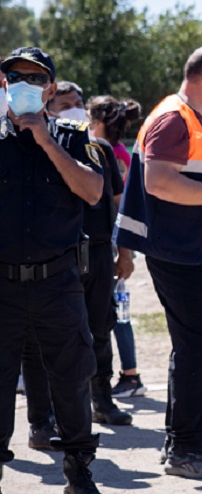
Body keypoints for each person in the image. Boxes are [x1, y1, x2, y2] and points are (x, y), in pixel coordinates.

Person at [113, 45, 202, 479]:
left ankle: (186, 437)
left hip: (201, 251)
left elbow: (198, 177)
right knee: (196, 349)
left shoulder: (200, 119)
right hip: (183, 254)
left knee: (195, 349)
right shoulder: (174, 117)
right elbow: (157, 181)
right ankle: (185, 448)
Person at [0, 48, 104, 493]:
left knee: (72, 379)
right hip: (1, 286)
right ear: (4, 84)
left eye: (34, 77)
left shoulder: (74, 134)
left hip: (58, 283)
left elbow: (94, 190)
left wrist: (46, 140)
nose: (23, 82)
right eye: (14, 75)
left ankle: (78, 469)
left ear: (50, 89)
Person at [21, 83, 133, 456]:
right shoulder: (36, 147)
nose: (74, 110)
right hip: (59, 256)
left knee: (100, 330)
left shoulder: (97, 149)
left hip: (99, 252)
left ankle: (101, 400)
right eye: (64, 104)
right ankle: (42, 419)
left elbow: (116, 203)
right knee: (40, 344)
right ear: (47, 107)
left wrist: (125, 252)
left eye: (79, 103)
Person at [87, 95, 146, 399]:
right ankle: (128, 373)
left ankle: (130, 374)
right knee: (115, 311)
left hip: (111, 241)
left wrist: (124, 253)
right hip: (114, 241)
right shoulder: (121, 151)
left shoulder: (113, 154)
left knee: (115, 313)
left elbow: (120, 203)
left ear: (97, 122)